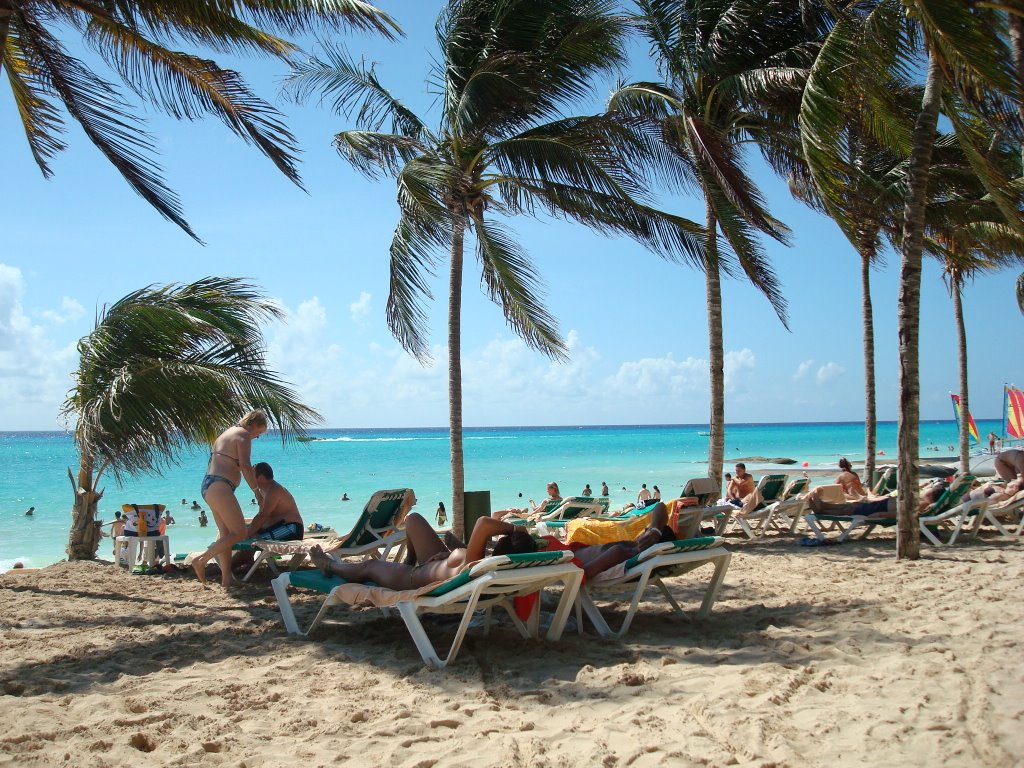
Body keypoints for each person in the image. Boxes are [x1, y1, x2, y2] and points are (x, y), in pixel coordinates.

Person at [309, 512, 537, 591]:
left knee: (369, 566)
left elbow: (484, 524)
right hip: (437, 565)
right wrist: (450, 555)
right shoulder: (484, 563)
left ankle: (330, 566)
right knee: (413, 519)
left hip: (411, 580)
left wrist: (518, 528)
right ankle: (410, 559)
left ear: (502, 545)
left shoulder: (477, 561)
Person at [191, 409, 268, 587]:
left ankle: (227, 578)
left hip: (210, 485)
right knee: (239, 532)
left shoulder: (227, 434)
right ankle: (201, 559)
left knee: (225, 533)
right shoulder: (243, 434)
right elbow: (246, 465)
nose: (257, 437)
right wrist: (257, 491)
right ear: (254, 424)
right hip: (220, 485)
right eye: (259, 432)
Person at [231, 462, 304, 572]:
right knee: (251, 534)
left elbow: (263, 516)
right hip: (280, 526)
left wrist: (247, 534)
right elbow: (261, 517)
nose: (250, 479)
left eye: (252, 475)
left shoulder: (275, 490)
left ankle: (225, 569)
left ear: (260, 477)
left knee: (255, 540)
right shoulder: (263, 490)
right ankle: (246, 563)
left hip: (292, 529)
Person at [493, 482, 561, 520]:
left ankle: (516, 511)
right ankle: (519, 510)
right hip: (554, 516)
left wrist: (532, 502)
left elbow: (536, 509)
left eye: (548, 489)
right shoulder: (561, 500)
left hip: (542, 516)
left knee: (497, 514)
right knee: (518, 510)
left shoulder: (547, 500)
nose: (547, 491)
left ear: (553, 489)